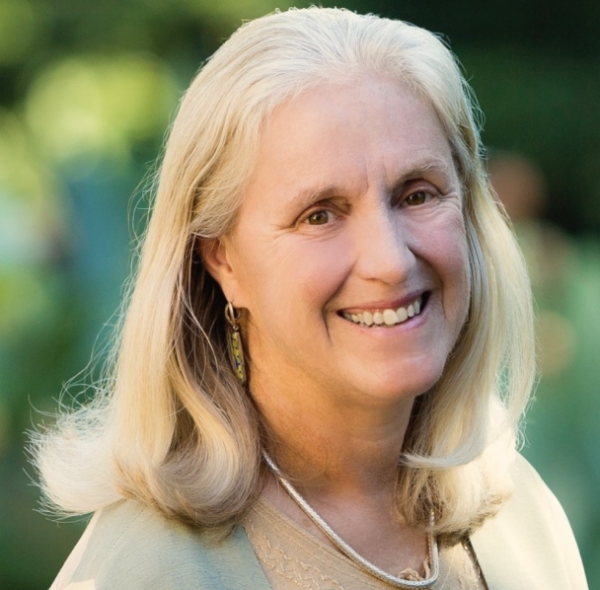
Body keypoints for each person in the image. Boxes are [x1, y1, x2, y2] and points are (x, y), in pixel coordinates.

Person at [34, 7, 587, 590]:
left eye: (417, 195)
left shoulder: (523, 521)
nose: (391, 260)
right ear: (221, 259)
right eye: (319, 214)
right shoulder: (143, 571)